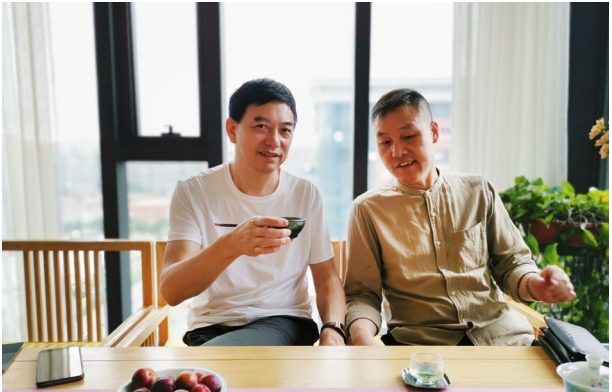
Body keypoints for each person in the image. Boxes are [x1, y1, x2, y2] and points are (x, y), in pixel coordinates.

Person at [345, 88, 576, 346]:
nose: (397, 152)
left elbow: (511, 265)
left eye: (408, 136)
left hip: (502, 338)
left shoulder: (478, 190)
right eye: (385, 142)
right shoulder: (368, 210)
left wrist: (538, 285)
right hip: (421, 347)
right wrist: (361, 335)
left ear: (434, 132)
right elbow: (362, 295)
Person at [160, 78, 346, 346]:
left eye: (285, 130)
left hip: (285, 321)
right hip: (210, 329)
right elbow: (172, 291)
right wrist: (232, 244)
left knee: (210, 365)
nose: (274, 140)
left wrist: (333, 328)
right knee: (212, 361)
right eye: (261, 127)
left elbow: (327, 278)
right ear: (232, 129)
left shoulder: (305, 194)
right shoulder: (194, 191)